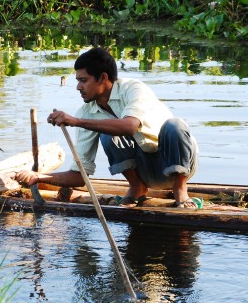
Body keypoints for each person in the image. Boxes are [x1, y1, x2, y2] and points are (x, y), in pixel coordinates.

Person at [14, 47, 200, 208]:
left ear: (103, 78)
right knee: (107, 135)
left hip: (175, 164)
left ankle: (180, 189)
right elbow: (80, 176)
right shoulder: (87, 112)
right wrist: (39, 177)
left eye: (83, 80)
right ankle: (137, 186)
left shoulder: (133, 89)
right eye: (78, 80)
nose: (78, 87)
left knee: (174, 125)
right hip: (146, 172)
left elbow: (129, 126)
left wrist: (76, 121)